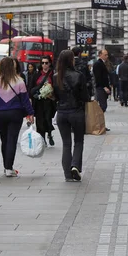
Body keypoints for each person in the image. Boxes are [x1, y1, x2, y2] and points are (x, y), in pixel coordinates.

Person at [0, 57, 34, 177]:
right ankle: (9, 167)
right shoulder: (19, 81)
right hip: (15, 113)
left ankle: (6, 167)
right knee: (12, 140)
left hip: (0, 114)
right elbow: (25, 100)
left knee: (4, 140)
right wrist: (30, 113)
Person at [53, 50, 90, 182]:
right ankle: (75, 165)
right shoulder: (79, 75)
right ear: (71, 61)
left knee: (66, 144)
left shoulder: (55, 76)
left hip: (62, 113)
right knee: (79, 141)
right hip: (76, 112)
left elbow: (55, 97)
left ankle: (67, 175)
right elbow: (85, 96)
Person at [31, 57, 57, 146]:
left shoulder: (53, 75)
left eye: (46, 63)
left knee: (48, 118)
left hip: (49, 101)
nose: (44, 65)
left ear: (50, 63)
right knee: (39, 120)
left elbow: (57, 87)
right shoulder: (37, 74)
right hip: (39, 101)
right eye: (42, 63)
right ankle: (42, 138)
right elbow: (31, 87)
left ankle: (49, 134)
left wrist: (52, 93)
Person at [92, 49, 111, 131]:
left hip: (102, 87)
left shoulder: (102, 63)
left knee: (103, 106)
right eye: (105, 54)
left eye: (107, 54)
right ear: (100, 55)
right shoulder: (97, 64)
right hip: (100, 88)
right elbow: (98, 77)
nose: (107, 56)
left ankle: (101, 124)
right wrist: (104, 87)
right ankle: (98, 124)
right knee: (102, 106)